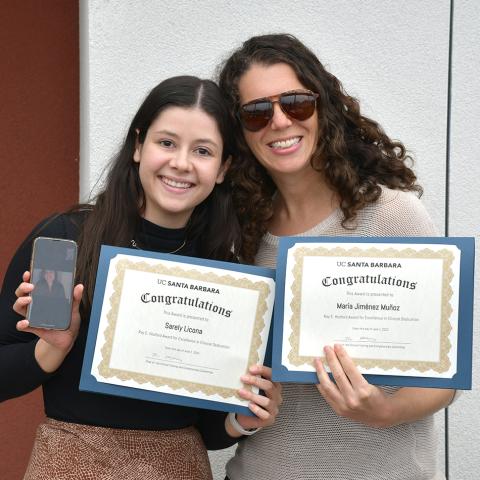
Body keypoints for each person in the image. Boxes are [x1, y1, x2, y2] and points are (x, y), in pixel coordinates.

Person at [0, 76, 281, 479]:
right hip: (69, 466)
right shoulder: (67, 242)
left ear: (223, 169)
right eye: (166, 143)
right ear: (138, 146)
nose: (181, 163)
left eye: (202, 151)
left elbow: (206, 429)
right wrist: (51, 350)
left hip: (180, 468)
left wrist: (244, 419)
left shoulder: (225, 273)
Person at [217, 34, 455, 480]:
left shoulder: (393, 216)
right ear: (240, 130)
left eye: (296, 103)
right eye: (257, 113)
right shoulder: (237, 235)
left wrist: (382, 409)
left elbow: (443, 378)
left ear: (323, 106)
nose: (280, 121)